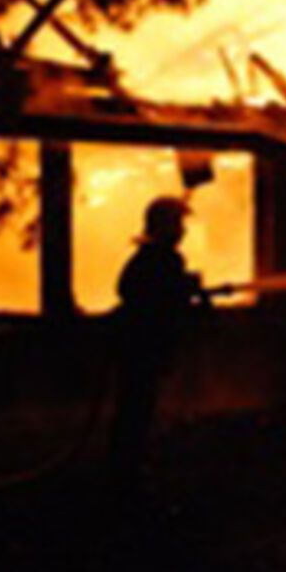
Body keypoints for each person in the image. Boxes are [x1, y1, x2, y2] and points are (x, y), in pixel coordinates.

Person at [108, 195, 214, 489]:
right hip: (142, 346)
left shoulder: (152, 258)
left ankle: (127, 464)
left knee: (136, 406)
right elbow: (138, 292)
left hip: (140, 345)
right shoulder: (160, 260)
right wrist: (183, 290)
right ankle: (127, 470)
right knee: (136, 407)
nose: (183, 230)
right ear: (164, 225)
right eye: (178, 223)